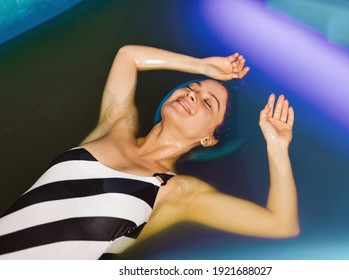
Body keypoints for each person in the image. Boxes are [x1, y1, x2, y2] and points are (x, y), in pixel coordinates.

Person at [0, 45, 299, 259]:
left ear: (210, 139)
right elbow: (127, 56)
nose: (193, 94)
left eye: (209, 103)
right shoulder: (115, 126)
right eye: (193, 88)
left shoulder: (177, 191)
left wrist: (276, 146)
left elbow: (281, 225)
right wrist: (203, 67)